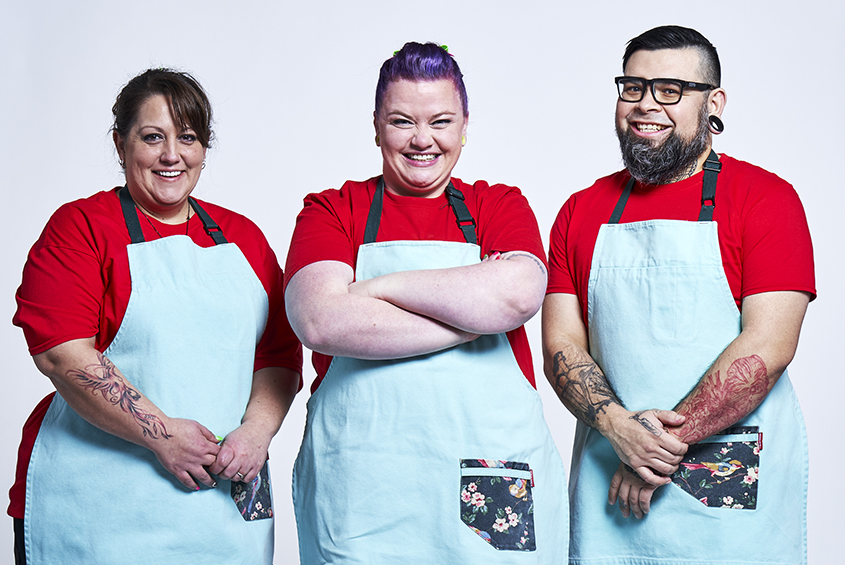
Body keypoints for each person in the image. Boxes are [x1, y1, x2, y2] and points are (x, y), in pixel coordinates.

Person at [284, 42, 568, 562]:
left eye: (440, 121)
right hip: (362, 488)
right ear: (375, 126)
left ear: (463, 125)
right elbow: (320, 320)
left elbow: (518, 295)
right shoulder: (332, 210)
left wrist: (372, 289)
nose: (422, 141)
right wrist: (472, 316)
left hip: (489, 476)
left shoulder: (497, 205)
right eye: (401, 121)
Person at [542, 25, 815, 564]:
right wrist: (619, 429)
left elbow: (769, 347)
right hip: (611, 481)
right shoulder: (581, 210)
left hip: (724, 493)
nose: (646, 105)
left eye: (670, 90)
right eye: (633, 87)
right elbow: (561, 347)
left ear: (713, 102)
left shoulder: (766, 199)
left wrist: (652, 451)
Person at [9, 68, 302, 564]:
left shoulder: (242, 239)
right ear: (121, 145)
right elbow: (63, 354)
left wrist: (256, 433)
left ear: (204, 149)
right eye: (153, 137)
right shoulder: (80, 228)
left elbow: (277, 353)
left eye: (187, 138)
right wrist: (162, 434)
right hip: (102, 507)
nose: (172, 155)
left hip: (221, 510)